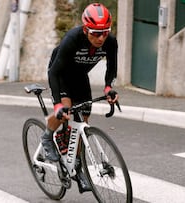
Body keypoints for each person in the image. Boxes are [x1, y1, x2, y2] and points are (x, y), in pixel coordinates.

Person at [41, 3, 119, 193]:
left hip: (80, 78)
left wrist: (109, 88)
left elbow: (112, 68)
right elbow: (54, 72)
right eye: (96, 33)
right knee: (64, 111)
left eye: (105, 32)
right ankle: (47, 137)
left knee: (82, 122)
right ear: (85, 29)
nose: (101, 38)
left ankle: (76, 166)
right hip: (61, 76)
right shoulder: (72, 39)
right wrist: (59, 104)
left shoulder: (110, 42)